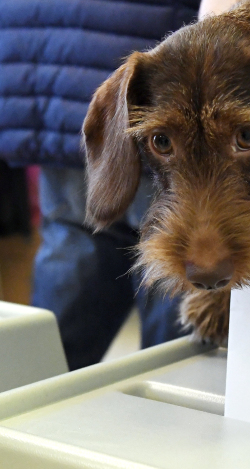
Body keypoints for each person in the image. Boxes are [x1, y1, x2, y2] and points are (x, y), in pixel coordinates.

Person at [0, 0, 199, 369]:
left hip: (43, 67)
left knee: (70, 252)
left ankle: (20, 415)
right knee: (178, 277)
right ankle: (166, 422)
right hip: (158, 75)